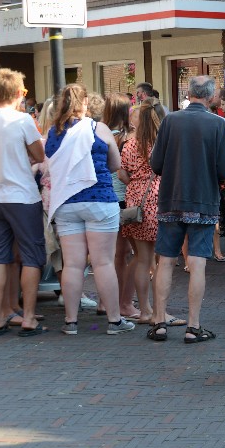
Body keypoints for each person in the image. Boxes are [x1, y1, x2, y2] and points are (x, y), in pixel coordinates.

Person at [146, 75, 225, 342]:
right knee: (197, 263)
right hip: (204, 201)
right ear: (210, 96)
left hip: (171, 198)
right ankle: (193, 326)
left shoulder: (170, 120)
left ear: (189, 92)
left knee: (165, 261)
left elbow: (156, 164)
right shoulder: (218, 124)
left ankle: (159, 321)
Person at [45, 84, 132, 336]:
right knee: (103, 262)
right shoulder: (98, 128)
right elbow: (115, 164)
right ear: (84, 103)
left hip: (66, 203)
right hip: (99, 201)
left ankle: (70, 322)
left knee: (72, 264)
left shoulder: (53, 133)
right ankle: (114, 321)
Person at [0, 68, 46, 336]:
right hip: (22, 196)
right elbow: (39, 154)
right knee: (31, 256)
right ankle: (28, 318)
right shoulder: (23, 120)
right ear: (17, 93)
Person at [119, 100, 166, 327]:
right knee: (160, 261)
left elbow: (121, 174)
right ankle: (160, 310)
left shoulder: (129, 144)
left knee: (141, 258)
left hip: (136, 200)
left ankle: (145, 309)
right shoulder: (161, 143)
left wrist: (135, 183)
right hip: (160, 198)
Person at [102, 92, 139, 320]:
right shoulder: (127, 137)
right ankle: (125, 302)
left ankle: (108, 301)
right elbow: (126, 173)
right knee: (137, 254)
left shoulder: (100, 133)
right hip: (127, 200)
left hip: (109, 198)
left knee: (116, 255)